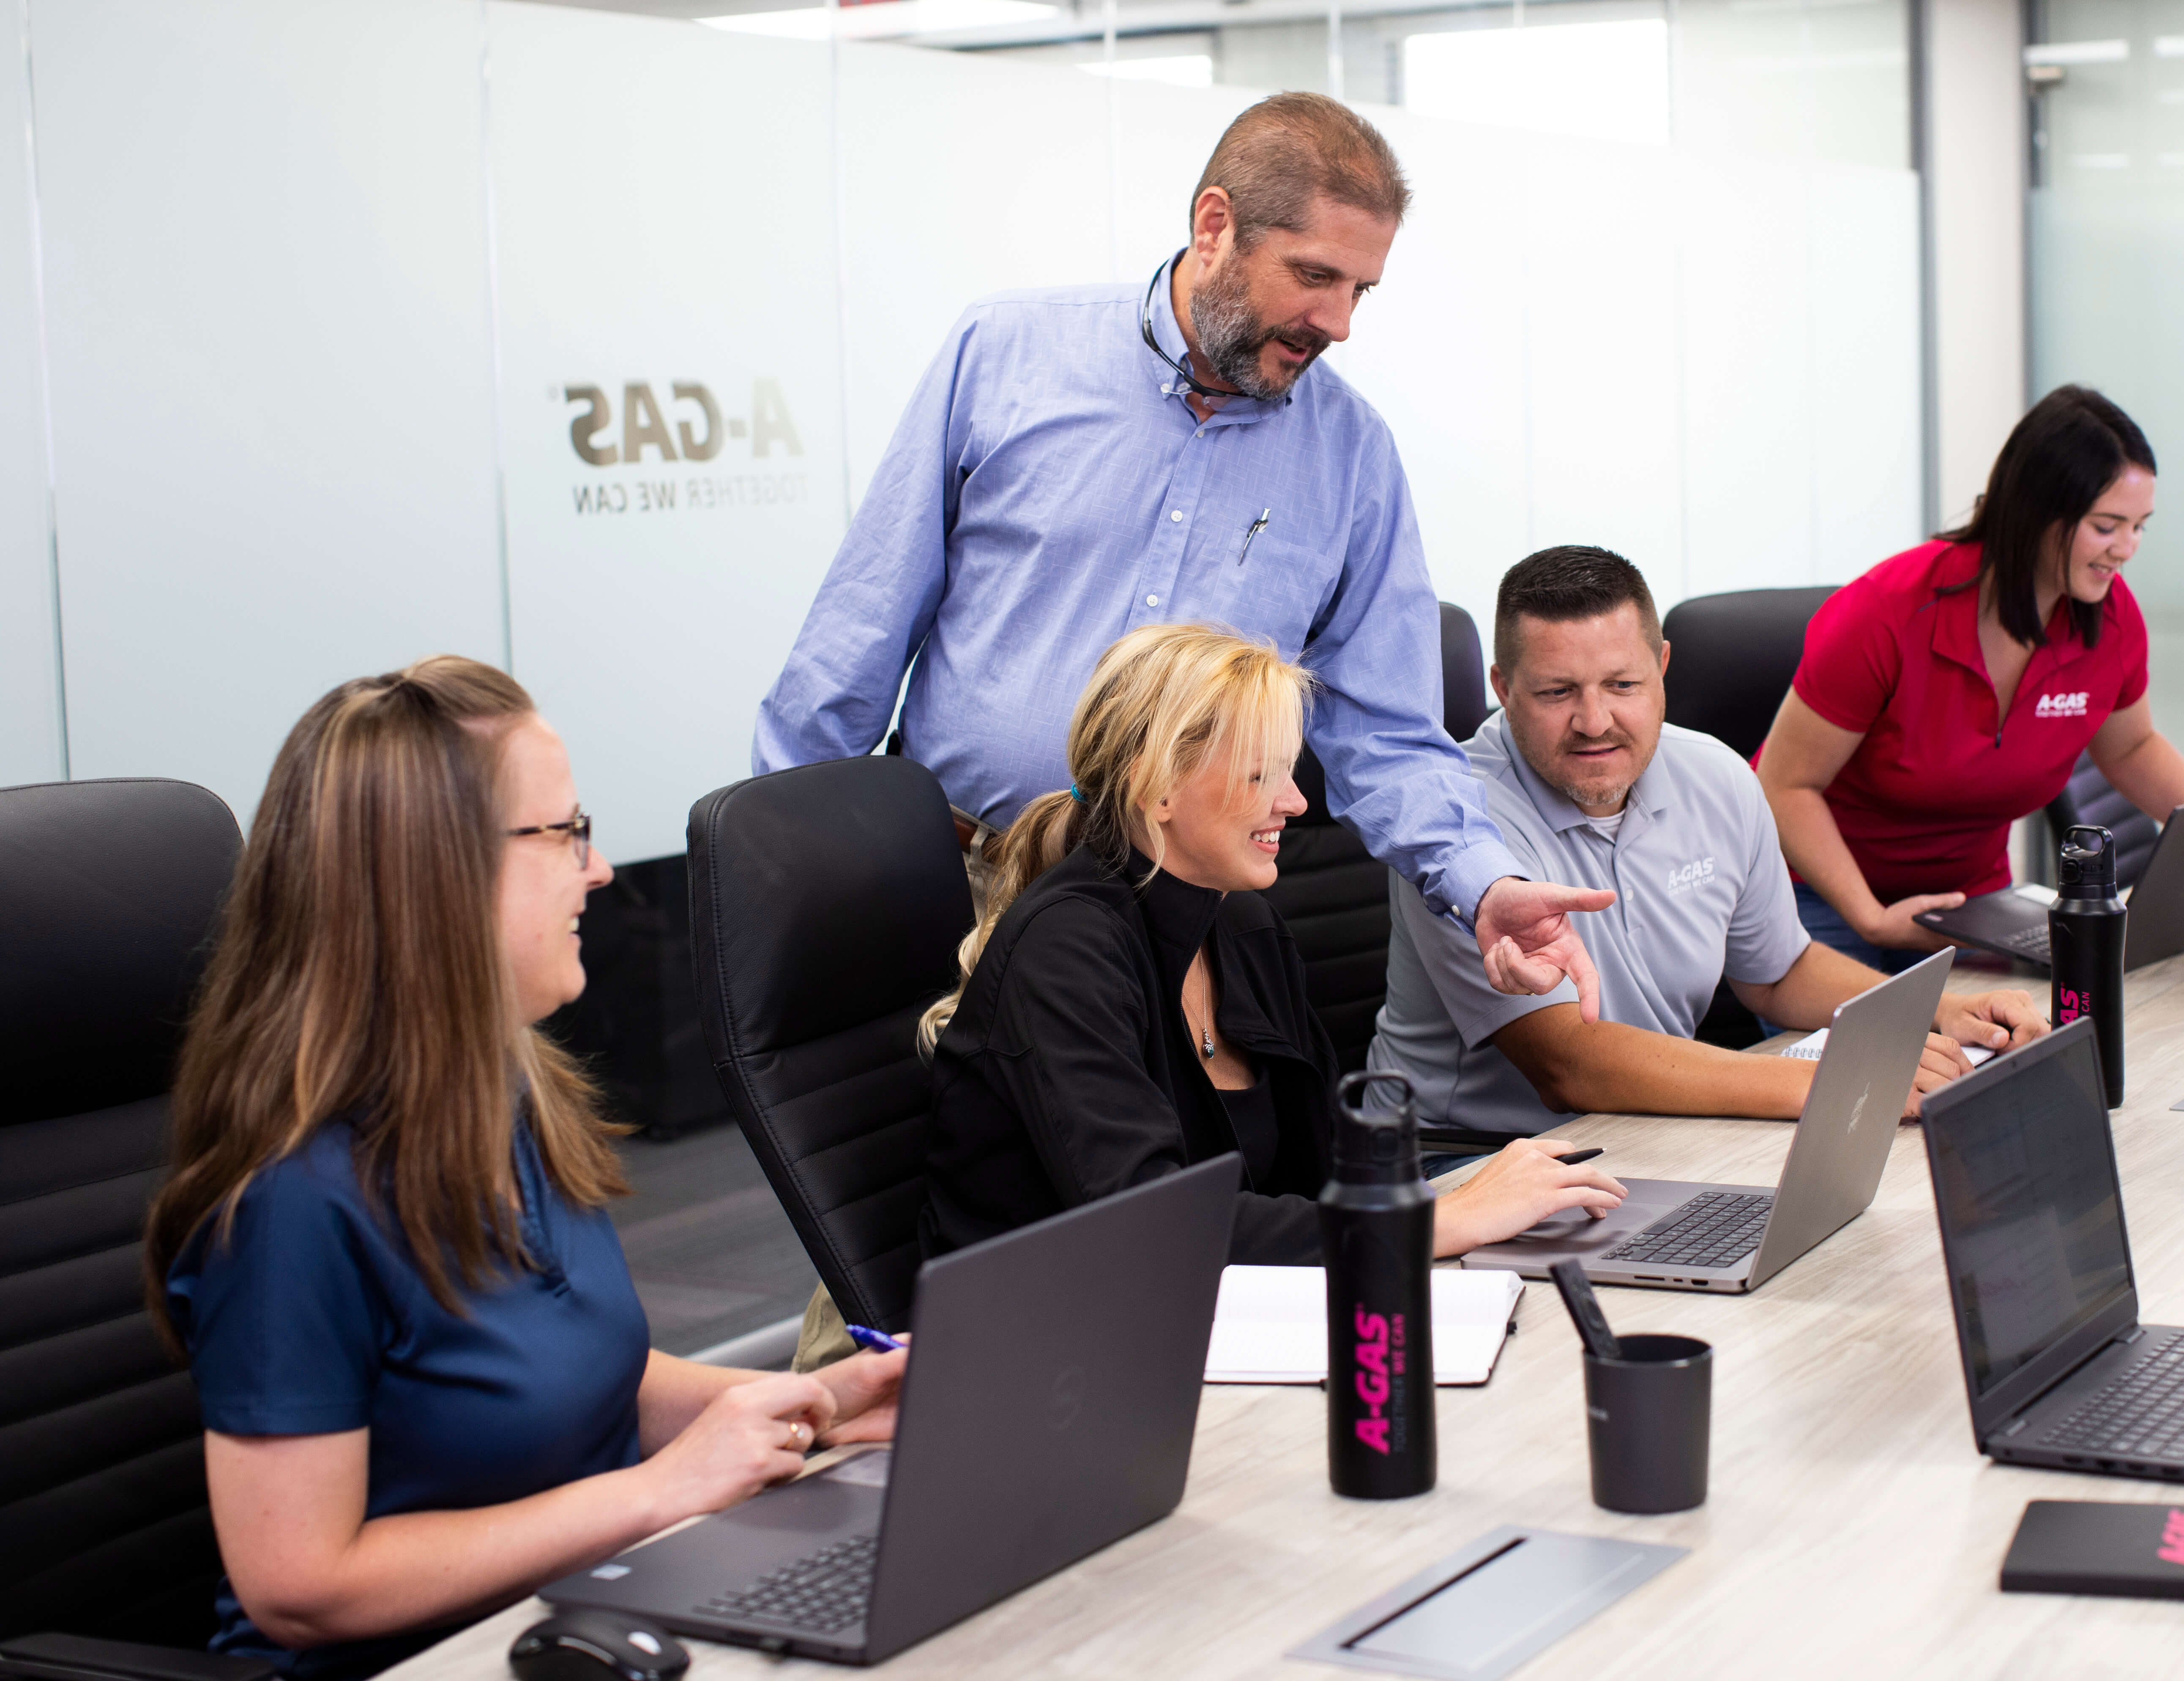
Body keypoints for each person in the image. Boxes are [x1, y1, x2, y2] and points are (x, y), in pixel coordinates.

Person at [753, 90, 1609, 1019]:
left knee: (1146, 1162)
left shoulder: (1351, 455)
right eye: (1315, 275)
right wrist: (780, 869)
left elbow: (1388, 733)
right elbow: (863, 628)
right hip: (960, 882)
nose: (1340, 323)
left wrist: (1483, 884)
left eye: (1360, 290)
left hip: (1176, 921)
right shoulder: (1006, 354)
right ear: (1215, 226)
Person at [143, 659, 906, 1680]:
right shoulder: (291, 1204)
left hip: (586, 1608)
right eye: (566, 833)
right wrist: (663, 1489)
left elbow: (581, 1379)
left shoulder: (508, 1096)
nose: (599, 871)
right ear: (438, 878)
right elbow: (302, 1586)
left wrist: (808, 1405)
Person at [915, 625, 1621, 1270]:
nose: (1296, 802)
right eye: (1263, 775)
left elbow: (1328, 1171)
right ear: (1156, 788)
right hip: (1064, 1355)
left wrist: (1472, 1209)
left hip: (1233, 1324)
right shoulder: (1065, 952)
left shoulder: (1242, 927)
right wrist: (1440, 1218)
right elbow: (1152, 1228)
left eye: (1290, 770)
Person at [1366, 547, 2049, 1137]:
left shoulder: (1717, 776)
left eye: (1623, 684)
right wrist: (1835, 1080)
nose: (1595, 721)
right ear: (1503, 690)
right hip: (1464, 1159)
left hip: (1650, 1136)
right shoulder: (1453, 828)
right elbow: (1568, 1065)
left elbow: (1779, 974)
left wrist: (1935, 1015)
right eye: (1556, 693)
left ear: (1663, 668)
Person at [1755, 385, 2184, 973]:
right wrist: (1869, 916)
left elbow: (2132, 748)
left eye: (2140, 526)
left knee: (2012, 1046)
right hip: (1819, 896)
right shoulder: (1886, 613)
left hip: (1967, 902)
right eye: (2107, 526)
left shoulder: (2109, 619)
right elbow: (1785, 786)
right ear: (2037, 511)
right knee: (1866, 1061)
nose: (2127, 549)